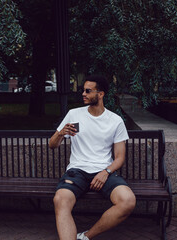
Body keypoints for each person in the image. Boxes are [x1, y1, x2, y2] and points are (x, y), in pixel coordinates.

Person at [49, 75, 136, 240]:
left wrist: (106, 172)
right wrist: (61, 133)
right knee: (60, 200)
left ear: (101, 94)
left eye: (88, 91)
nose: (83, 94)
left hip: (104, 171)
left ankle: (85, 236)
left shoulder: (115, 121)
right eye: (83, 90)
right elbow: (52, 145)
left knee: (128, 201)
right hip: (77, 171)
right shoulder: (74, 114)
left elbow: (119, 157)